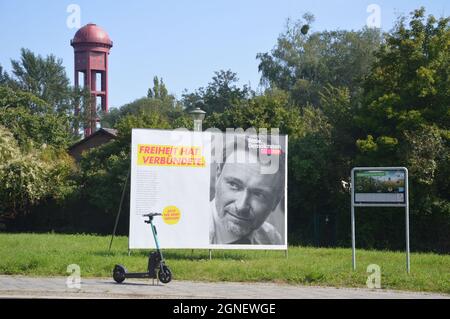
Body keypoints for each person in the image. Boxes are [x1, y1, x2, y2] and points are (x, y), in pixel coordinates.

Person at [209, 134, 285, 245]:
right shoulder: (189, 230)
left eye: (259, 195)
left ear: (276, 202)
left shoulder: (272, 239)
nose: (241, 206)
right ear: (218, 175)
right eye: (234, 185)